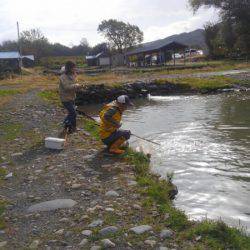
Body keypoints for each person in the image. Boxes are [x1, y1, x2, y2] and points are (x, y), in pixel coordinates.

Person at [59, 61, 82, 134]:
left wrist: (79, 87)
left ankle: (73, 128)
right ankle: (66, 123)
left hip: (72, 97)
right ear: (69, 68)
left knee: (72, 113)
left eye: (75, 67)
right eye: (73, 67)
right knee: (73, 113)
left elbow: (75, 84)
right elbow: (66, 87)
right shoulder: (63, 77)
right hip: (65, 98)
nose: (75, 68)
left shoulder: (74, 74)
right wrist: (76, 86)